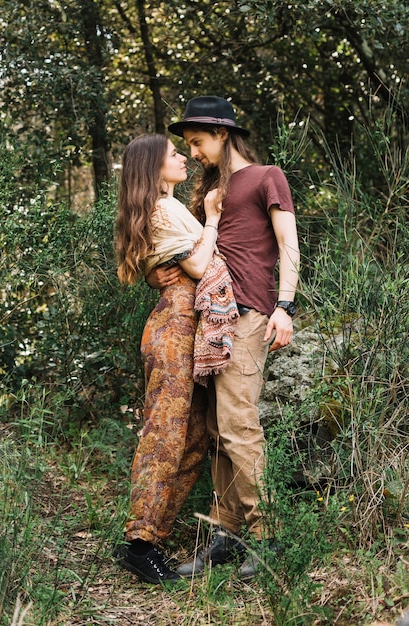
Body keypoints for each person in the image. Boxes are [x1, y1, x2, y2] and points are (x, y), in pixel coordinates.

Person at [149, 95, 300, 580]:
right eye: (188, 146)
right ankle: (226, 535)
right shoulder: (209, 189)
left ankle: (266, 535)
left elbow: (288, 244)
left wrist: (284, 306)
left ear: (221, 133)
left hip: (251, 311)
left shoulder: (265, 176)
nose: (192, 153)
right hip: (209, 319)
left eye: (197, 143)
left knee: (238, 422)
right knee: (216, 429)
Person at [114, 133, 236, 585]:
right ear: (152, 167)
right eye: (173, 154)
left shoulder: (167, 207)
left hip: (186, 327)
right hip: (173, 330)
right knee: (164, 435)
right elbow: (201, 267)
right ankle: (140, 544)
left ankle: (149, 539)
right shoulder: (165, 210)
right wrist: (212, 221)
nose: (183, 157)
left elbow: (174, 264)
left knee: (192, 441)